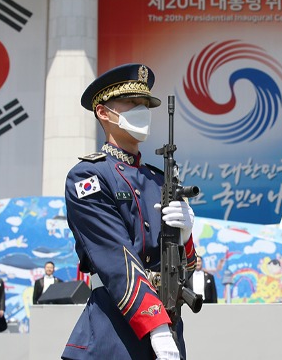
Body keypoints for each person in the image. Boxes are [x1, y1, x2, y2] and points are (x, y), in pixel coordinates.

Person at [62, 63, 198, 360]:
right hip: (114, 334)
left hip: (168, 326)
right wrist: (155, 326)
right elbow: (115, 258)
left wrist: (186, 237)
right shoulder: (88, 177)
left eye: (146, 105)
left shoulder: (159, 180)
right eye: (133, 103)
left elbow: (183, 269)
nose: (143, 111)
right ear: (103, 112)